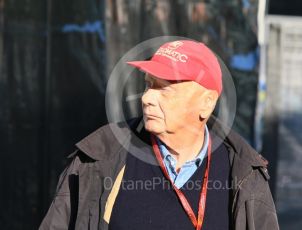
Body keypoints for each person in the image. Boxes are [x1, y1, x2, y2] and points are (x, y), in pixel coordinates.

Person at [39, 40, 279, 230]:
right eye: (148, 85)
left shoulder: (245, 175)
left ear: (206, 104)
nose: (146, 98)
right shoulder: (96, 159)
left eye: (164, 88)